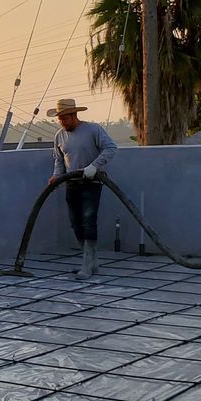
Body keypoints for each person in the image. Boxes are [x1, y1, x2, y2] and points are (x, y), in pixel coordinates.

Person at [47, 98, 117, 279]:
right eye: (59, 119)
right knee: (75, 223)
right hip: (72, 183)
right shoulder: (59, 136)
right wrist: (57, 175)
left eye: (65, 118)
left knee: (88, 220)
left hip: (91, 182)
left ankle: (86, 263)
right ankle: (92, 260)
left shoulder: (93, 130)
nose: (62, 122)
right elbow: (59, 160)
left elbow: (110, 148)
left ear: (74, 115)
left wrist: (94, 166)